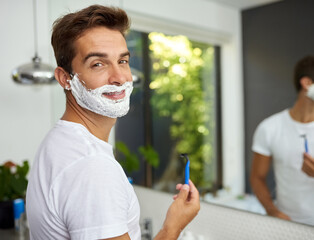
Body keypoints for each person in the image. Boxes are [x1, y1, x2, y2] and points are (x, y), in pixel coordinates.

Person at [26, 5, 200, 240]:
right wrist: (172, 228)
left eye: (123, 61)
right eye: (98, 64)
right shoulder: (92, 167)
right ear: (65, 78)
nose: (120, 78)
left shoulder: (60, 141)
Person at [250, 55, 314, 226]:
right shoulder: (269, 128)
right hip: (287, 225)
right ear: (307, 83)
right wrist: (272, 211)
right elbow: (257, 177)